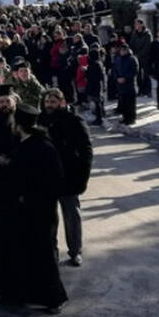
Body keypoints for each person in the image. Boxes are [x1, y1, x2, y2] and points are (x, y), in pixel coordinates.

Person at [0, 103, 68, 312]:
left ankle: (54, 299)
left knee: (44, 256)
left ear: (20, 124)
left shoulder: (42, 147)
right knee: (30, 255)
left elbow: (52, 181)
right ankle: (33, 294)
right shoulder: (27, 144)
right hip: (27, 213)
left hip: (39, 213)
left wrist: (28, 197)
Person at [38, 89, 93, 266]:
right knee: (48, 218)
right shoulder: (41, 121)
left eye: (53, 102)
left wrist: (82, 179)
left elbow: (86, 151)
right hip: (47, 178)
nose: (49, 105)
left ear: (62, 102)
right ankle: (51, 251)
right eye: (47, 102)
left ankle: (75, 250)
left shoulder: (74, 121)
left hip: (68, 178)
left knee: (71, 216)